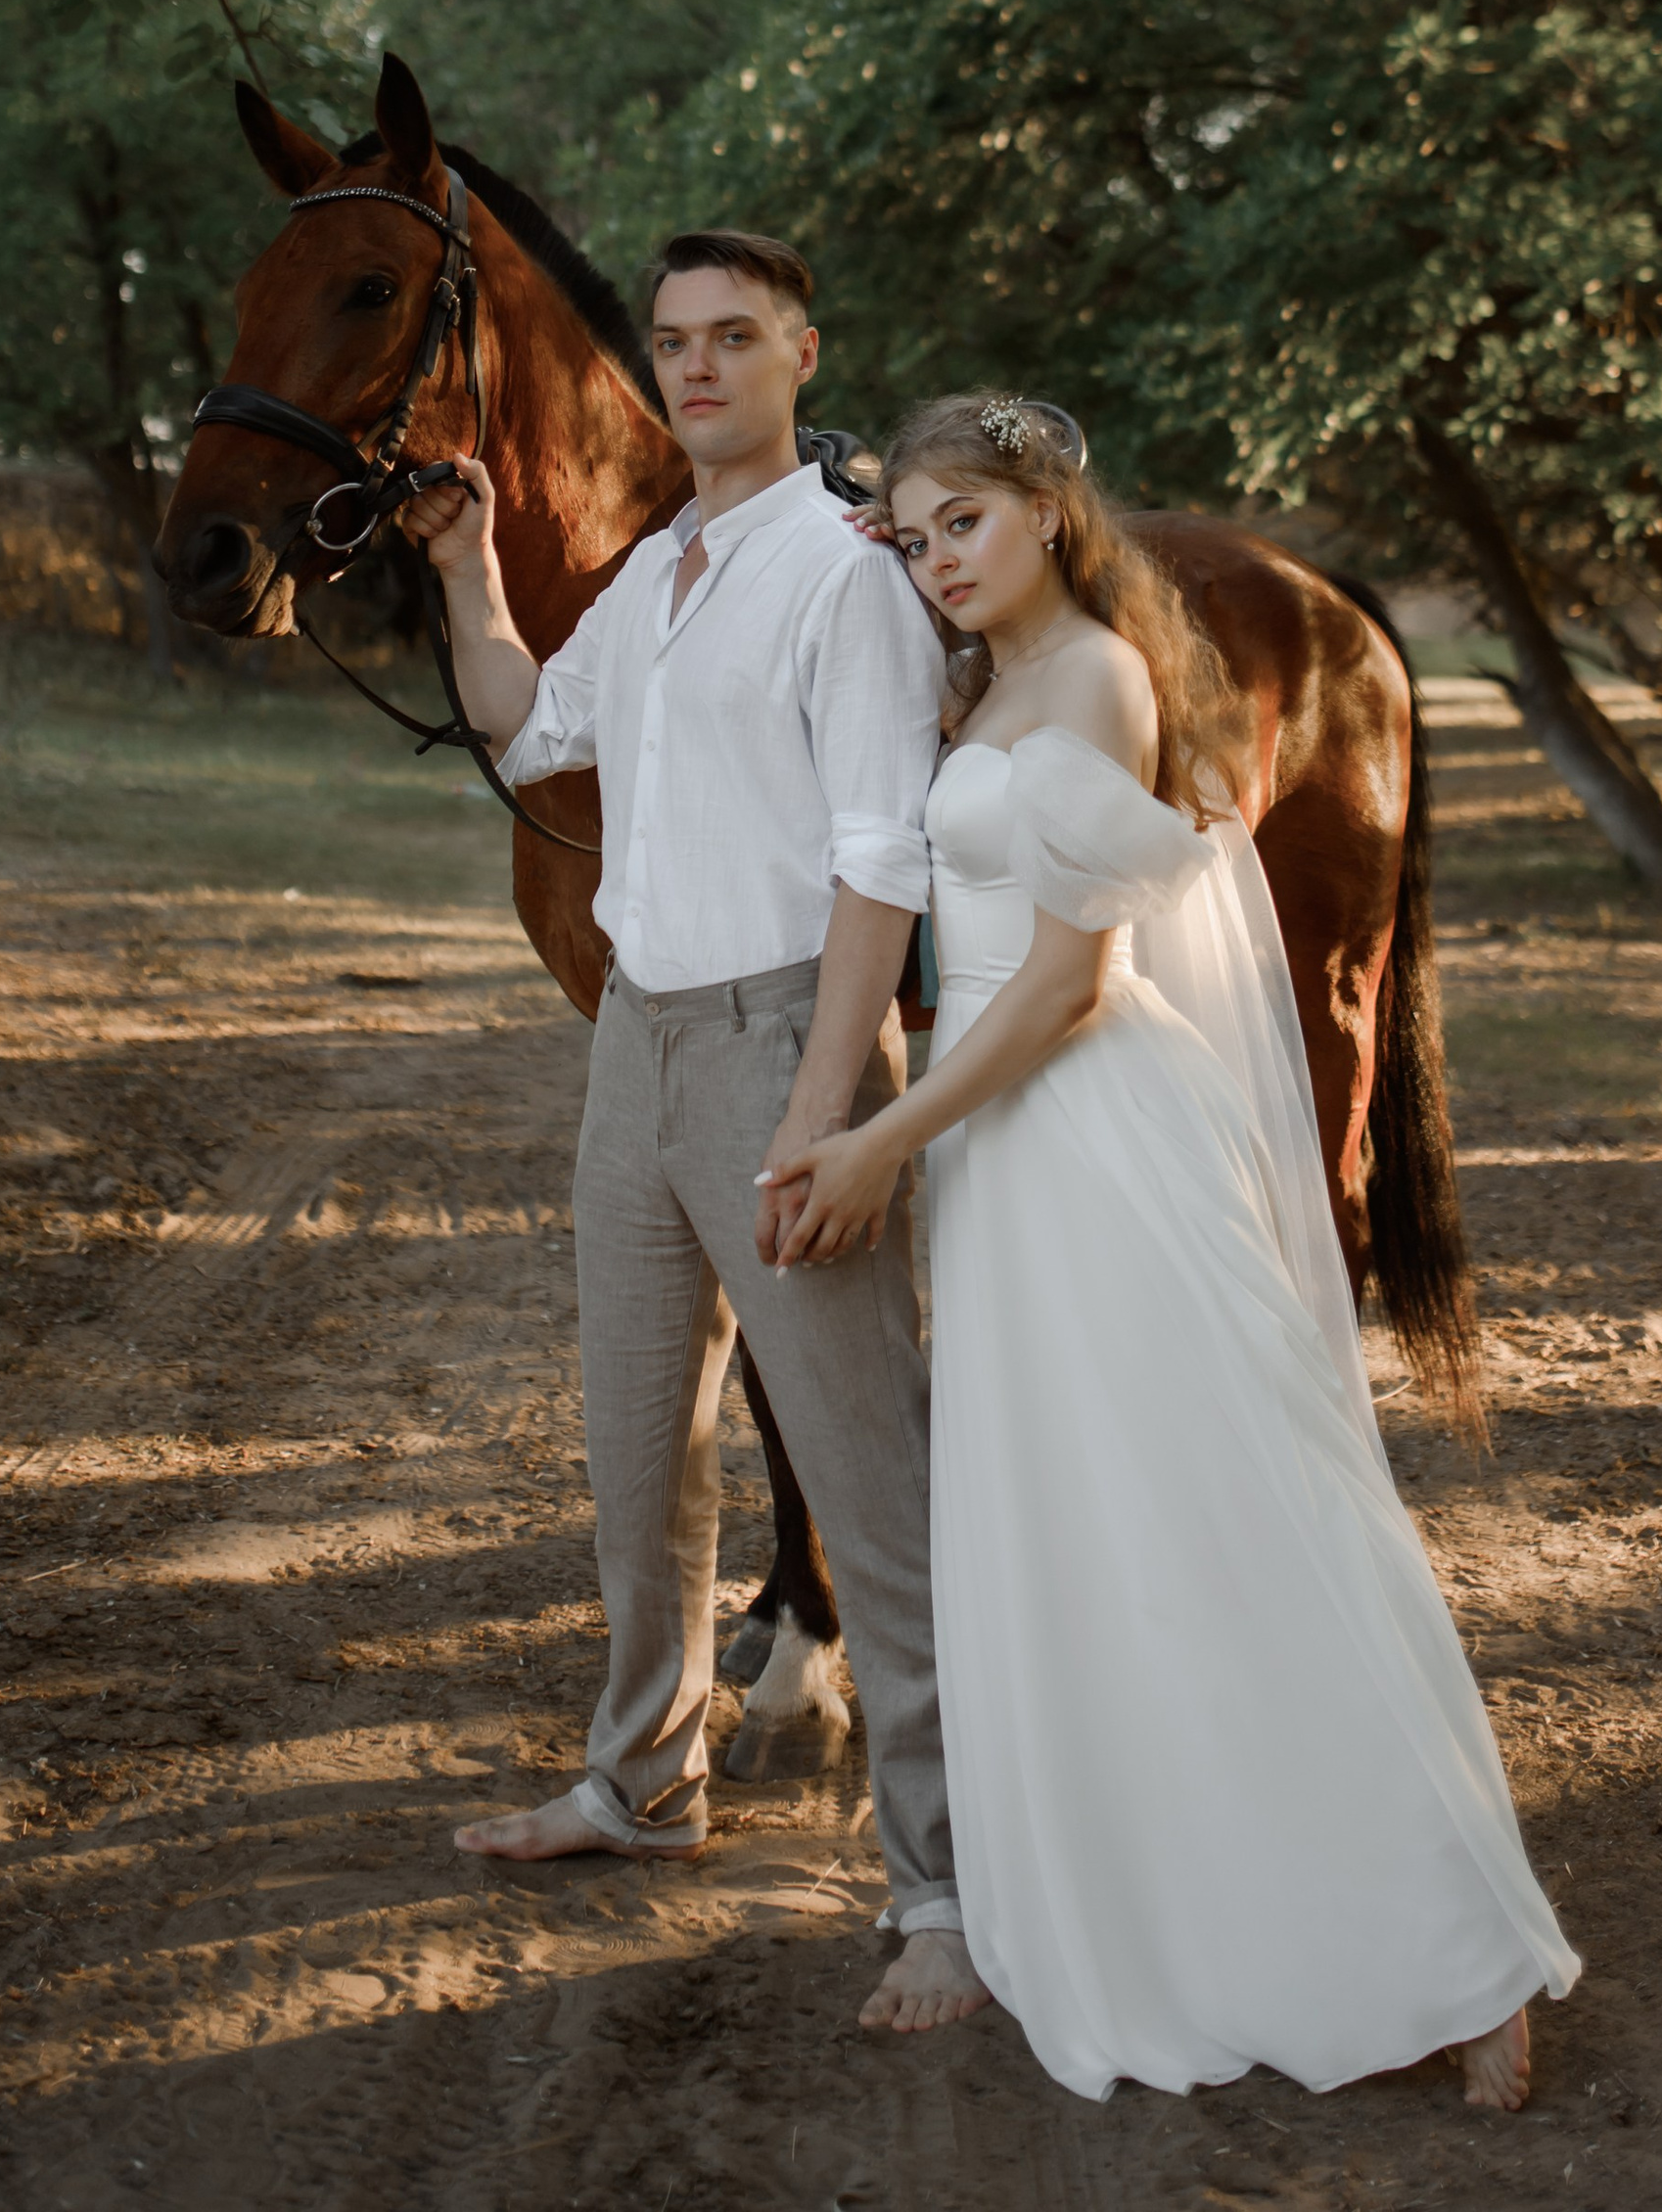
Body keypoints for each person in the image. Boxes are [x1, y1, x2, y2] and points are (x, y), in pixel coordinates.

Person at [762, 391, 1581, 2107]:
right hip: (1005, 1158)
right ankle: (1154, 1895)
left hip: (1089, 1127)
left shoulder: (1106, 682)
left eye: (963, 526)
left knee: (1237, 1516)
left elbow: (1072, 987)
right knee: (1086, 1529)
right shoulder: (979, 682)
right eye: (910, 540)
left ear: (1052, 513)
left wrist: (878, 1140)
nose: (935, 565)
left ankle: (1462, 1954)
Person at [401, 232, 989, 2036]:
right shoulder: (657, 572)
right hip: (636, 1054)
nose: (699, 369)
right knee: (636, 1450)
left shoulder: (851, 577)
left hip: (779, 1047)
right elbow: (523, 727)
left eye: (737, 339)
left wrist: (827, 1113)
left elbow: (883, 855)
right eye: (674, 343)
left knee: (872, 1481)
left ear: (806, 354)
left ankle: (948, 1887)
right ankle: (646, 1783)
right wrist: (467, 567)